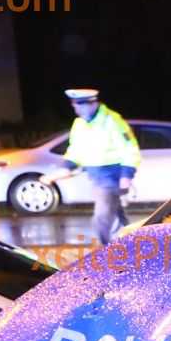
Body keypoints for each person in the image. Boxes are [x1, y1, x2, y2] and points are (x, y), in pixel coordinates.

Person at [46, 87, 140, 245]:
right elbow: (75, 150)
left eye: (78, 105)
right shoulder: (80, 123)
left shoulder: (112, 121)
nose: (75, 110)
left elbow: (130, 149)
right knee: (117, 218)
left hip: (111, 177)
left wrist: (126, 176)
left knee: (102, 220)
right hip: (96, 177)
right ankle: (134, 250)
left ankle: (111, 257)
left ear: (91, 104)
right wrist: (66, 167)